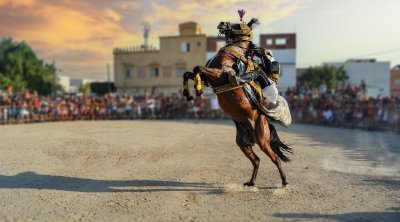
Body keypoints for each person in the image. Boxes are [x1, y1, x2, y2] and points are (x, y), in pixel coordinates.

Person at [216, 10, 281, 105]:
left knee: (257, 70)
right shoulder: (262, 59)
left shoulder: (275, 64)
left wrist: (264, 56)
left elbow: (269, 68)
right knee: (252, 67)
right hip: (259, 82)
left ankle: (238, 79)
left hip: (270, 89)